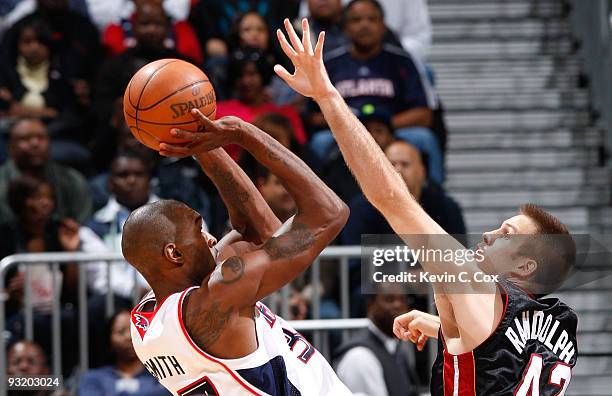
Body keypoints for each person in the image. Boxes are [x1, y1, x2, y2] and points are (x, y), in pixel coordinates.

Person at [275, 17, 578, 395]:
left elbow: (392, 198)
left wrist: (327, 96)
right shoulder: (560, 327)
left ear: (525, 265)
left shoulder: (476, 287)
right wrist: (443, 326)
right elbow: (505, 349)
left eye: (507, 234)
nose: (488, 233)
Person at [124, 108, 350, 394]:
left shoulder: (145, 322)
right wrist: (243, 133)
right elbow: (329, 213)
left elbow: (257, 233)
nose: (211, 238)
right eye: (198, 230)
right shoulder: (221, 294)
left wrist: (203, 146)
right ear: (174, 254)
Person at [307, 0, 442, 183]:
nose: (364, 25)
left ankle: (435, 199)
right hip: (344, 131)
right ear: (345, 27)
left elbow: (424, 114)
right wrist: (349, 125)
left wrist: (384, 125)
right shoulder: (330, 63)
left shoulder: (402, 61)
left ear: (383, 26)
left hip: (393, 130)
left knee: (423, 138)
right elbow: (313, 115)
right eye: (356, 20)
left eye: (372, 19)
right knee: (319, 142)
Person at [86, 152, 158, 300]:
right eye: (123, 175)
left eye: (139, 174)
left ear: (149, 179)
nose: (131, 180)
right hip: (120, 304)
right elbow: (101, 279)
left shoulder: (178, 216)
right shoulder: (94, 227)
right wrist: (144, 294)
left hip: (173, 300)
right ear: (109, 183)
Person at [0, 117, 92, 223]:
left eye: (41, 138)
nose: (35, 143)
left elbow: (85, 225)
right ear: (10, 147)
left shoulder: (72, 180)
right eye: (25, 138)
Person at [334, 291, 419, 396]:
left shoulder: (395, 348)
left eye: (403, 300)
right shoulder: (359, 356)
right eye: (389, 299)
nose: (398, 305)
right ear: (371, 305)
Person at [77, 309, 170, 395]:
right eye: (121, 332)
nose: (129, 337)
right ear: (109, 340)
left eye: (134, 330)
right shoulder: (94, 379)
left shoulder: (163, 376)